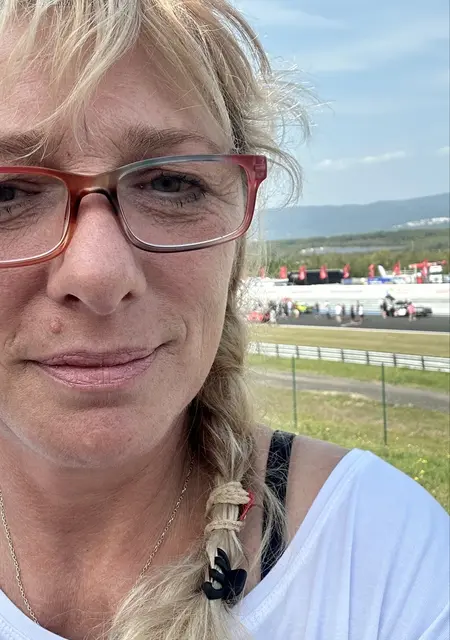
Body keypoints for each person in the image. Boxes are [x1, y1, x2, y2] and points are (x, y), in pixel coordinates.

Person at [0, 2, 448, 640]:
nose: (98, 274)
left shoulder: (384, 560)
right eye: (7, 193)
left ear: (240, 224)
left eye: (169, 184)